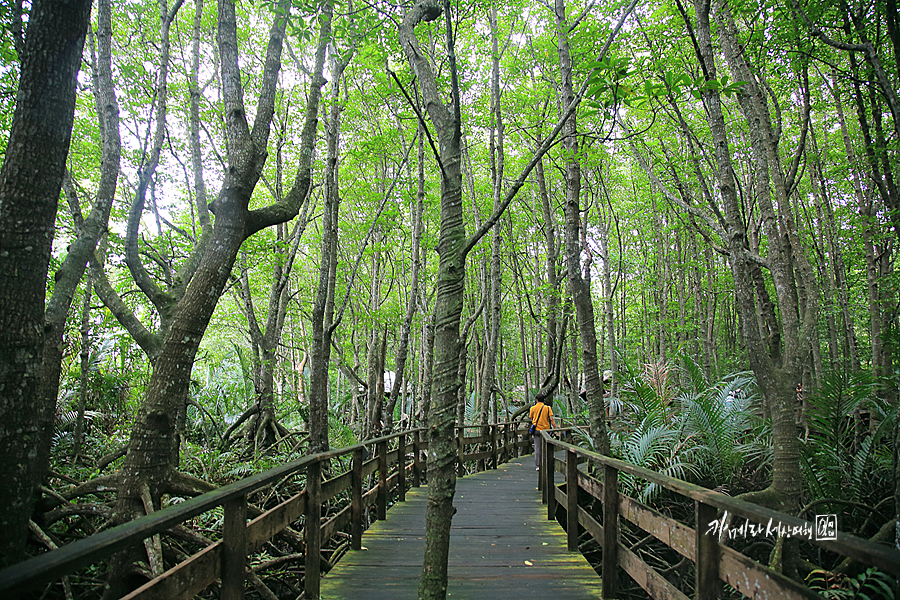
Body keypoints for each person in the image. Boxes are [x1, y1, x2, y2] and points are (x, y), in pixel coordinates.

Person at [529, 392, 555, 470]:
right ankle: (547, 464)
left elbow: (532, 419)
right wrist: (555, 429)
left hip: (537, 430)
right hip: (546, 431)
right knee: (547, 447)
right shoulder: (547, 408)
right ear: (544, 400)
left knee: (537, 448)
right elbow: (551, 419)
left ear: (536, 400)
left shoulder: (532, 408)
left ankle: (538, 465)